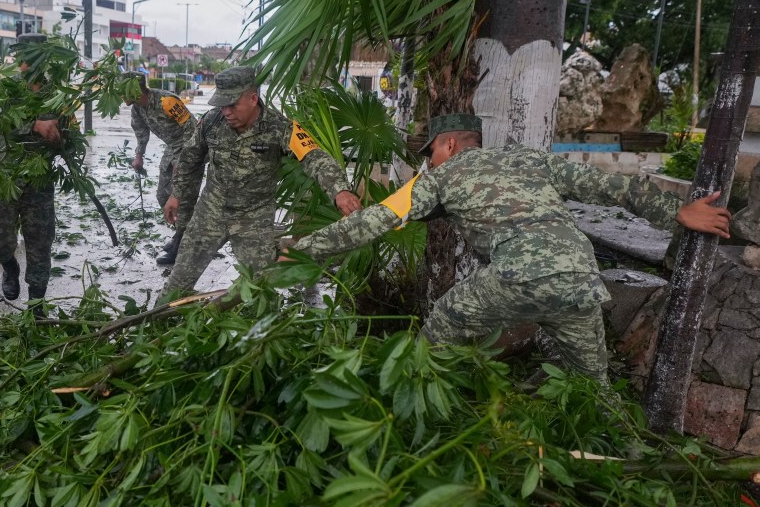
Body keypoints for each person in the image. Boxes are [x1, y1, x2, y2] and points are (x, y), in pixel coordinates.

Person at [283, 113, 733, 383]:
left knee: (442, 322)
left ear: (451, 144)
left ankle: (416, 394)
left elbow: (379, 219)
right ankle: (613, 453)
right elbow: (607, 185)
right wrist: (676, 211)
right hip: (580, 276)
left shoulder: (441, 175)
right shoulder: (527, 158)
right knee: (590, 384)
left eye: (431, 152)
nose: (428, 162)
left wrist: (309, 248)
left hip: (520, 273)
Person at [160, 65, 363, 296]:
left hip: (253, 219)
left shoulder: (280, 127)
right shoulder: (211, 121)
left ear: (253, 98)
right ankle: (156, 326)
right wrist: (176, 194)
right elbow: (189, 159)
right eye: (222, 104)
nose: (226, 111)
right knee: (176, 286)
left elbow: (314, 157)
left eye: (233, 104)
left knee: (261, 291)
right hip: (211, 213)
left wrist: (339, 190)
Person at [0, 33, 66, 312]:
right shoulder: (4, 87)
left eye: (37, 56)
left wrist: (59, 139)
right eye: (26, 55)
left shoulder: (57, 92)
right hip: (4, 177)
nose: (29, 62)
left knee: (40, 241)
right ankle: (9, 266)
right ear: (19, 57)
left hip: (40, 180)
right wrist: (34, 125)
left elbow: (69, 135)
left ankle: (37, 304)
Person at [126, 73, 195, 265]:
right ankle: (179, 236)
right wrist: (139, 156)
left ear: (135, 90)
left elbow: (192, 129)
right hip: (172, 147)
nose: (121, 96)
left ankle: (181, 248)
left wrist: (184, 162)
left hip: (191, 147)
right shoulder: (137, 108)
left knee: (182, 199)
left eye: (123, 91)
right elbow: (141, 133)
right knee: (163, 197)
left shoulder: (167, 102)